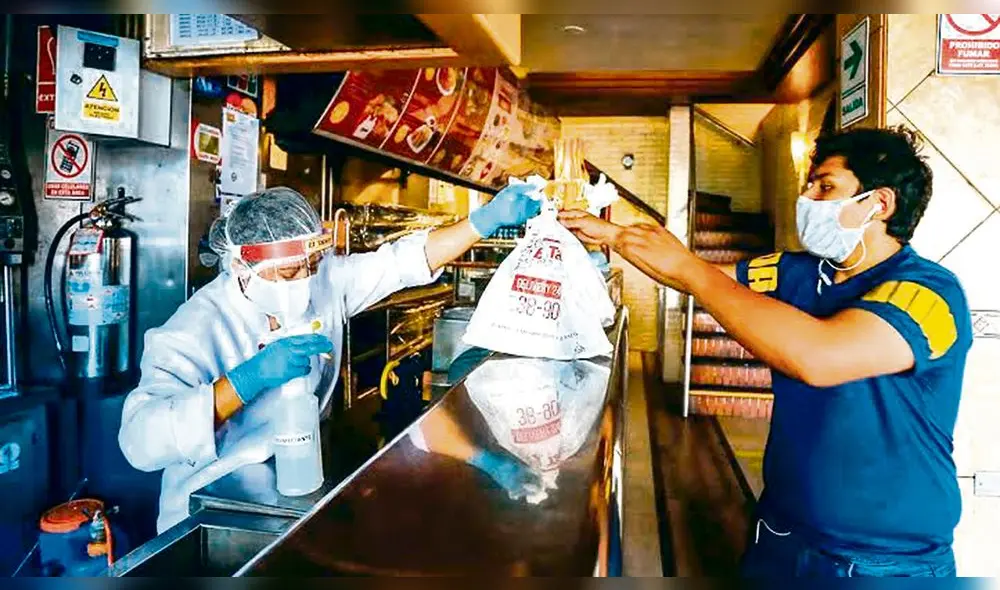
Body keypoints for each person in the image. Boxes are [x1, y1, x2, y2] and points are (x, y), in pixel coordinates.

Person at [558, 126, 971, 578]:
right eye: (810, 185)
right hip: (780, 535)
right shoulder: (797, 272)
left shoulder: (929, 293)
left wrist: (690, 269)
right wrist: (611, 235)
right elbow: (696, 279)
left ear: (881, 203)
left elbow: (820, 356)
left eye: (826, 186)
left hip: (881, 562)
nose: (808, 198)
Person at [119, 184, 541, 534]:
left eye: (311, 265)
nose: (304, 281)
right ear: (240, 265)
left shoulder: (323, 284)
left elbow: (403, 262)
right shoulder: (193, 328)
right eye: (288, 274)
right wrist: (245, 382)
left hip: (296, 485)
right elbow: (140, 444)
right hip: (208, 507)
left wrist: (483, 219)